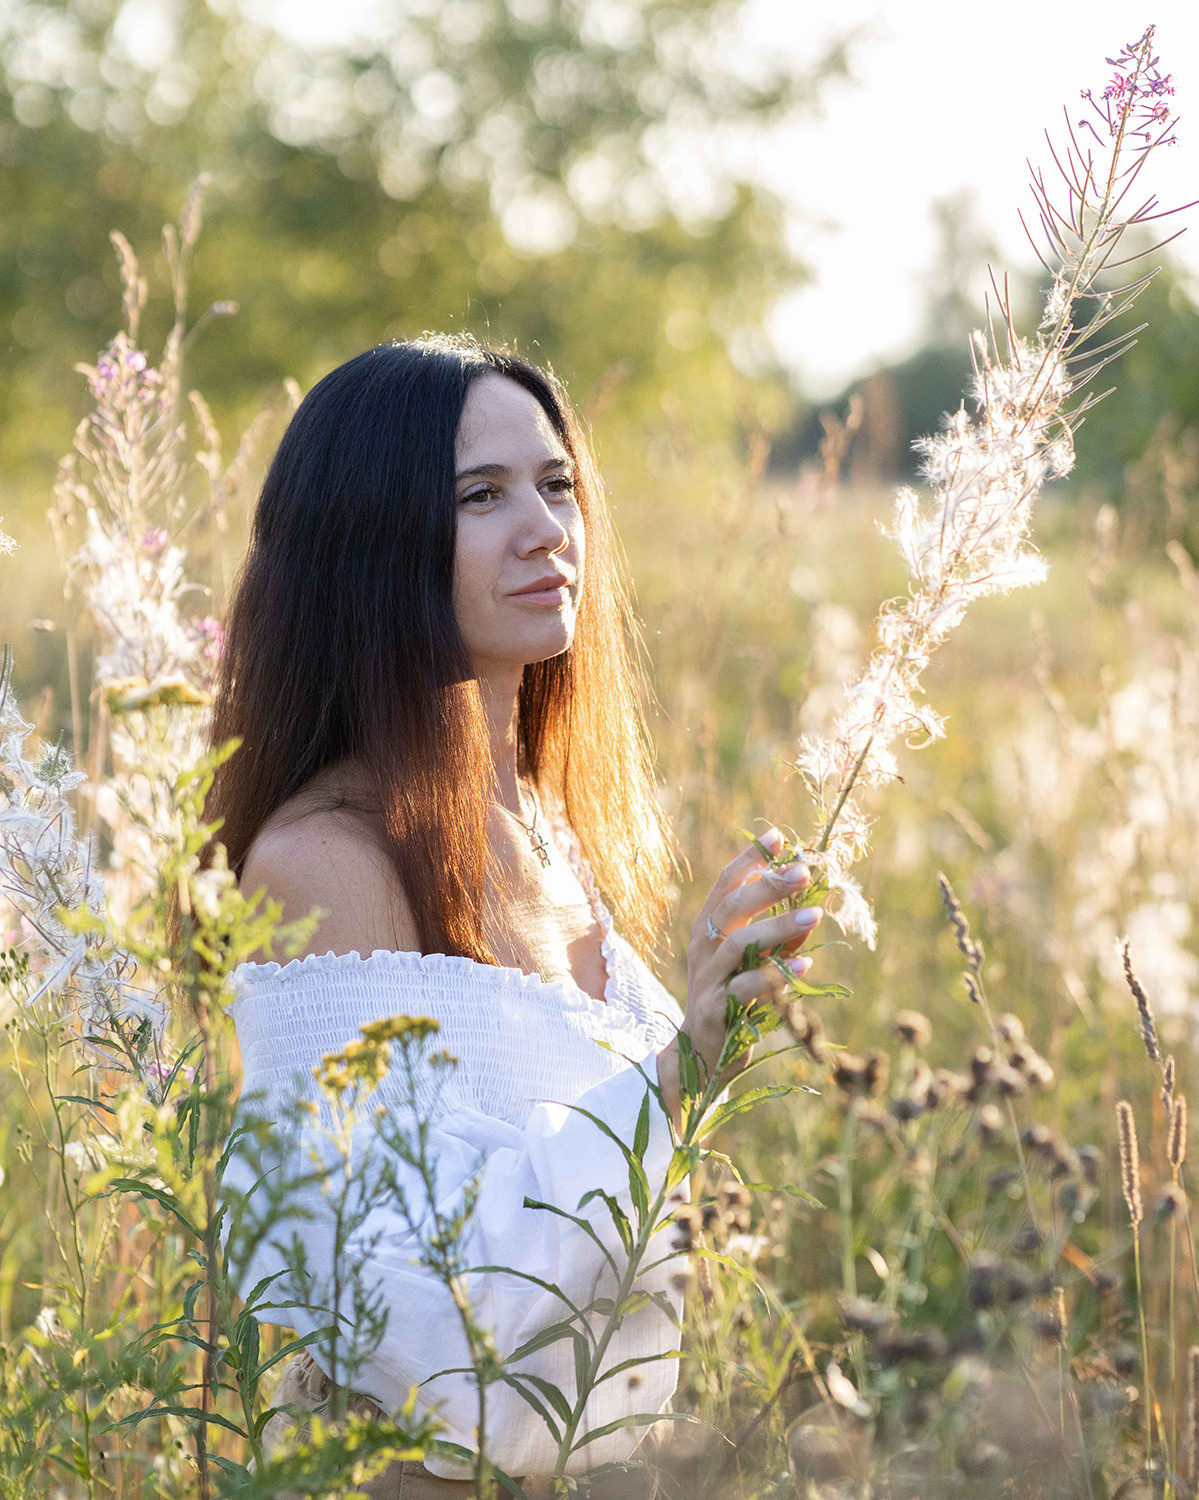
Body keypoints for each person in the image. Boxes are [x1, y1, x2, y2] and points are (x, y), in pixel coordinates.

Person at [202, 335, 821, 1496]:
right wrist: (682, 1064)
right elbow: (423, 1319)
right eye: (480, 497)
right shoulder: (323, 865)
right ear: (368, 544)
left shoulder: (550, 826)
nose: (546, 529)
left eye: (556, 483)